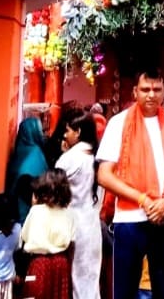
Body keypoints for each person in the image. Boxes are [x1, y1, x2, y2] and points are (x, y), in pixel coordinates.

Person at [97, 67, 164, 299]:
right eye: (145, 89)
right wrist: (144, 200)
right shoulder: (118, 123)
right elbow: (104, 175)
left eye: (156, 89)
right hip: (130, 218)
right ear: (134, 92)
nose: (151, 95)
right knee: (125, 290)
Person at [54, 108, 102, 299]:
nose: (65, 136)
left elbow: (55, 184)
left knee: (75, 282)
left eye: (67, 131)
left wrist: (64, 155)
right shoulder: (96, 157)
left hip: (73, 225)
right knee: (90, 280)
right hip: (92, 225)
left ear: (78, 132)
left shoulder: (70, 158)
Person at [19, 170, 76, 299]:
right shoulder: (69, 214)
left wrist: (34, 206)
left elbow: (25, 236)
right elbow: (72, 244)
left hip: (40, 263)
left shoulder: (36, 212)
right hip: (61, 264)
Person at [7, 118, 51, 223]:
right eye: (40, 131)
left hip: (15, 208)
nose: (41, 134)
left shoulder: (18, 151)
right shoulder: (37, 153)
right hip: (33, 207)